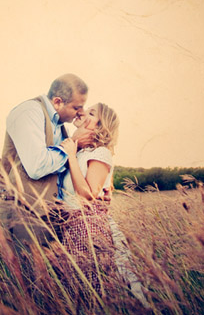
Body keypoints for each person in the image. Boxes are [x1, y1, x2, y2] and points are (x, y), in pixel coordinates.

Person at [59, 103, 148, 309]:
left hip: (89, 229)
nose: (81, 112)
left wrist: (71, 155)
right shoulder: (81, 151)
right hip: (73, 227)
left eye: (91, 113)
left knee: (93, 291)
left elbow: (87, 197)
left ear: (101, 127)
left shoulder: (99, 153)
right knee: (79, 292)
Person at [0, 74, 93, 246]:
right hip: (25, 215)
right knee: (28, 271)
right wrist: (74, 143)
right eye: (77, 107)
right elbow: (37, 166)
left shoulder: (59, 124)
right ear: (57, 102)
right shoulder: (29, 112)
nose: (82, 112)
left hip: (51, 215)